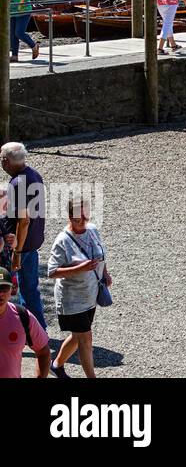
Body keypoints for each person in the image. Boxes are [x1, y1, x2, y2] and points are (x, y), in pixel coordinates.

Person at [47, 196, 110, 378]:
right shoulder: (62, 241)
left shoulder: (92, 230)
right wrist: (79, 268)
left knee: (78, 337)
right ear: (69, 216)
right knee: (86, 339)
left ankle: (56, 365)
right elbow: (52, 272)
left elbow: (100, 253)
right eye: (77, 217)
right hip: (72, 300)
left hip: (90, 295)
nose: (82, 221)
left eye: (85, 216)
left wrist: (105, 273)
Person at [1, 143, 45, 330]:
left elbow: (24, 220)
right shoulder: (34, 175)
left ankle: (19, 329)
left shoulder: (18, 183)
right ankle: (38, 330)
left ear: (6, 161)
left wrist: (16, 251)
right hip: (32, 243)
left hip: (20, 245)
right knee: (30, 290)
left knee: (9, 291)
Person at [0, 267, 50, 378]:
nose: (0, 293)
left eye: (4, 288)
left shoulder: (22, 316)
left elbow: (43, 351)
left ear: (12, 289)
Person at [8, 0, 37, 64]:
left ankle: (34, 46)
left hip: (23, 11)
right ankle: (14, 56)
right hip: (12, 12)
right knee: (12, 35)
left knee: (19, 33)